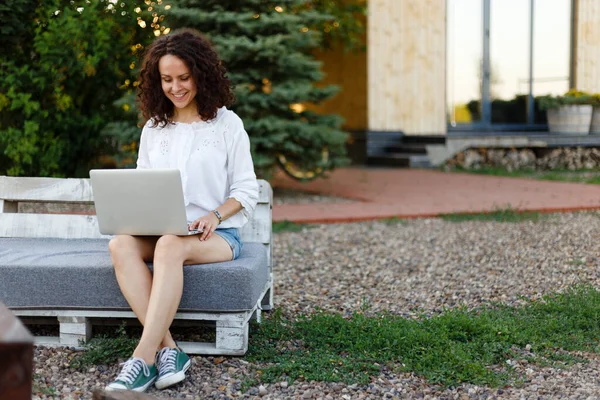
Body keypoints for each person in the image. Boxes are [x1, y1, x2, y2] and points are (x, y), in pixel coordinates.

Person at [105, 29, 259, 392]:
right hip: (164, 230)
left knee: (170, 246)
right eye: (167, 79)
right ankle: (171, 351)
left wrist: (215, 216)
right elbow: (143, 186)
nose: (175, 87)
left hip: (217, 235)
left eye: (183, 78)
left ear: (201, 74)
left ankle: (141, 359)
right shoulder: (154, 129)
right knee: (120, 244)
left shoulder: (227, 124)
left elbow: (246, 189)